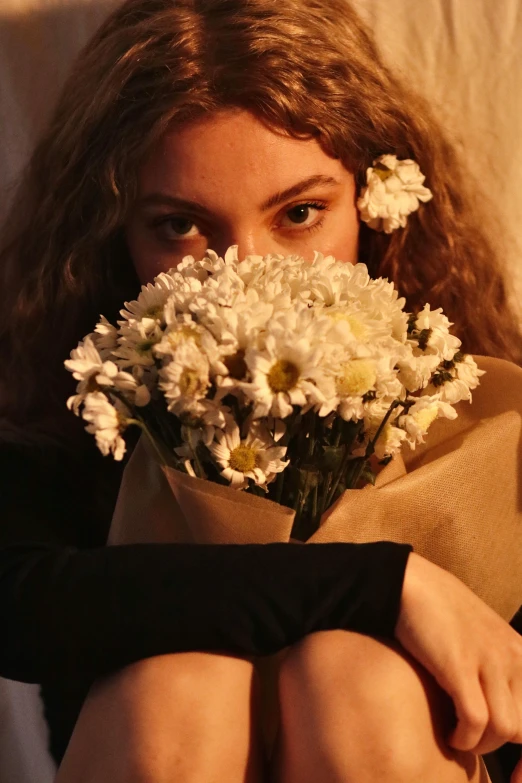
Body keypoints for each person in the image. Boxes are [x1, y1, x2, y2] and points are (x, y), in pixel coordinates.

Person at [1, 0, 522, 781]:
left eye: (300, 213)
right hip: (158, 740)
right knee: (180, 682)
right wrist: (388, 584)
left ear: (378, 210)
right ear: (111, 236)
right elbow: (22, 602)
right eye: (180, 226)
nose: (246, 272)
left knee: (361, 681)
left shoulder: (468, 391)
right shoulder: (76, 401)